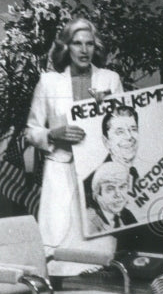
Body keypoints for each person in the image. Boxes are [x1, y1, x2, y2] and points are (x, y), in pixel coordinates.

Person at [25, 18, 124, 255]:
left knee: (98, 245)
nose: (84, 50)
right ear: (66, 47)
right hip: (60, 172)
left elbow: (123, 122)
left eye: (89, 44)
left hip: (97, 173)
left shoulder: (110, 79)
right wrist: (52, 134)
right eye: (77, 43)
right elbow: (30, 131)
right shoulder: (48, 82)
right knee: (57, 243)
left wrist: (106, 112)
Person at [82, 106, 141, 209]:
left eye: (133, 129)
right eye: (120, 132)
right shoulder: (89, 187)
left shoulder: (133, 173)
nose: (129, 136)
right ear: (106, 142)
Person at [85, 161, 138, 235]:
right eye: (110, 188)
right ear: (97, 195)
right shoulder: (89, 221)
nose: (118, 194)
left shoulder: (127, 215)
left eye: (122, 187)